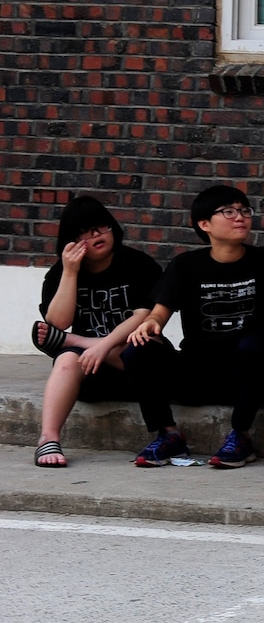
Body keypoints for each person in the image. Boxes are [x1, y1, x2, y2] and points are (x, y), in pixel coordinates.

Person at [126, 185, 264, 468]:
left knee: (254, 344)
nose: (240, 217)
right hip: (197, 372)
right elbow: (160, 313)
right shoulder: (186, 265)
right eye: (228, 211)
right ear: (205, 225)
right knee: (136, 349)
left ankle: (240, 436)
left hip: (250, 374)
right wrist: (150, 324)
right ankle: (167, 434)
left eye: (244, 211)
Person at [29, 196, 164, 467]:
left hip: (142, 366)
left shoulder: (139, 264)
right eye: (83, 232)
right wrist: (70, 272)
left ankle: (78, 342)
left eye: (100, 227)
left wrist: (95, 344)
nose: (94, 235)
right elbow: (56, 323)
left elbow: (143, 317)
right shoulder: (60, 273)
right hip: (93, 371)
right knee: (67, 358)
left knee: (135, 345)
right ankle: (48, 439)